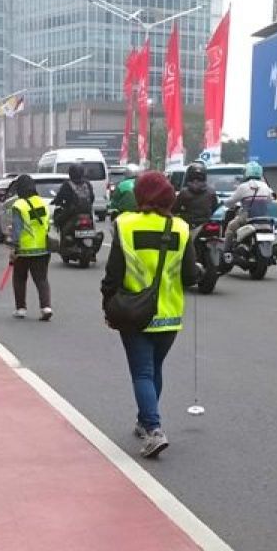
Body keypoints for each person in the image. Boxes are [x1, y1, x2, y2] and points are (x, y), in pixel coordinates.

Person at [101, 171, 200, 459]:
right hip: (169, 316)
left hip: (133, 313)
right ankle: (145, 421)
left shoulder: (125, 225)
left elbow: (113, 274)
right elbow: (191, 276)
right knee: (154, 369)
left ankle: (154, 429)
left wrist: (108, 305)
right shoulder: (181, 228)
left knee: (142, 372)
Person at [8, 174, 53, 321]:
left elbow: (17, 229)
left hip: (24, 249)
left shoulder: (18, 205)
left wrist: (14, 248)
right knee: (42, 279)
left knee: (20, 278)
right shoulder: (42, 203)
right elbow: (47, 224)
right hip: (42, 248)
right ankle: (46, 307)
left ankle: (21, 308)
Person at [222, 161, 275, 253]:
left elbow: (231, 201)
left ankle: (226, 252)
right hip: (264, 218)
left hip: (247, 218)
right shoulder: (265, 186)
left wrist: (224, 202)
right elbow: (270, 201)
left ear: (247, 172)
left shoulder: (243, 187)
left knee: (230, 228)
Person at [171, 160, 219, 228]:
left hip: (187, 224)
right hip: (205, 224)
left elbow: (175, 209)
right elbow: (215, 207)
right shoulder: (211, 191)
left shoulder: (184, 192)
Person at [52, 162, 94, 234]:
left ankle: (63, 239)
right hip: (88, 212)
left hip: (71, 212)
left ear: (70, 173)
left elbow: (59, 198)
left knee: (57, 221)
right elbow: (92, 198)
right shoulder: (87, 183)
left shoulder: (67, 184)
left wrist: (55, 202)